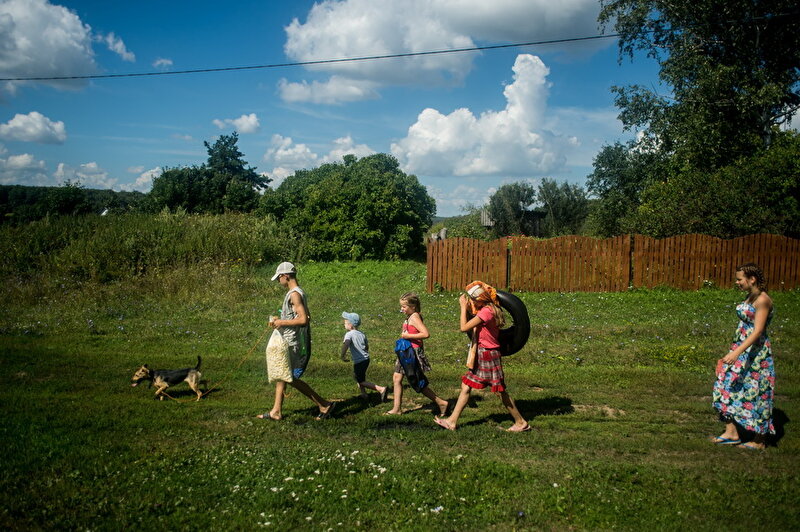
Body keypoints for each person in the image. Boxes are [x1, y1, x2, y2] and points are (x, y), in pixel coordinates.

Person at [434, 281, 530, 432]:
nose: (470, 301)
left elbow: (463, 327)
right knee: (466, 385)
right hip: (484, 353)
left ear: (480, 299)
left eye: (472, 299)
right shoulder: (490, 308)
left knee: (500, 391)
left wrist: (462, 308)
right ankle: (452, 421)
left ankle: (520, 422)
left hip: (488, 354)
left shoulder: (486, 312)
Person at [257, 262, 336, 421]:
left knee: (288, 377)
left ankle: (324, 404)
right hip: (290, 339)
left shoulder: (294, 294)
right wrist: (282, 319)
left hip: (292, 342)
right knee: (282, 373)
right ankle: (276, 411)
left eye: (279, 277)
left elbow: (303, 319)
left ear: (285, 276)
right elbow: (305, 316)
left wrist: (281, 323)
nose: (279, 281)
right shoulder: (298, 293)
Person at [711, 263, 775, 449]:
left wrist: (736, 353)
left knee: (758, 393)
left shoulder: (763, 300)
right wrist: (732, 352)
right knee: (724, 384)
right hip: (740, 349)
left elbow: (757, 332)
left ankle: (759, 440)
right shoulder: (750, 297)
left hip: (756, 355)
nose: (737, 282)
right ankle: (731, 433)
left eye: (740, 279)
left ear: (752, 279)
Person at [385, 292, 449, 416]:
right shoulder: (410, 316)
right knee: (396, 378)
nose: (401, 309)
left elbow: (425, 334)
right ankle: (396, 409)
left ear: (413, 306)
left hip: (412, 353)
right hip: (406, 351)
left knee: (417, 382)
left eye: (404, 307)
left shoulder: (414, 317)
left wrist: (408, 335)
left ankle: (441, 402)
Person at [340, 311, 389, 402]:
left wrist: (343, 355)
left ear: (350, 325)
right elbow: (367, 346)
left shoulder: (349, 334)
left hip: (359, 361)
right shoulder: (362, 334)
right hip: (366, 359)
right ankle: (364, 394)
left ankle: (381, 389)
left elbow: (346, 344)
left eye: (345, 323)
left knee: (360, 380)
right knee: (359, 377)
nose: (344, 324)